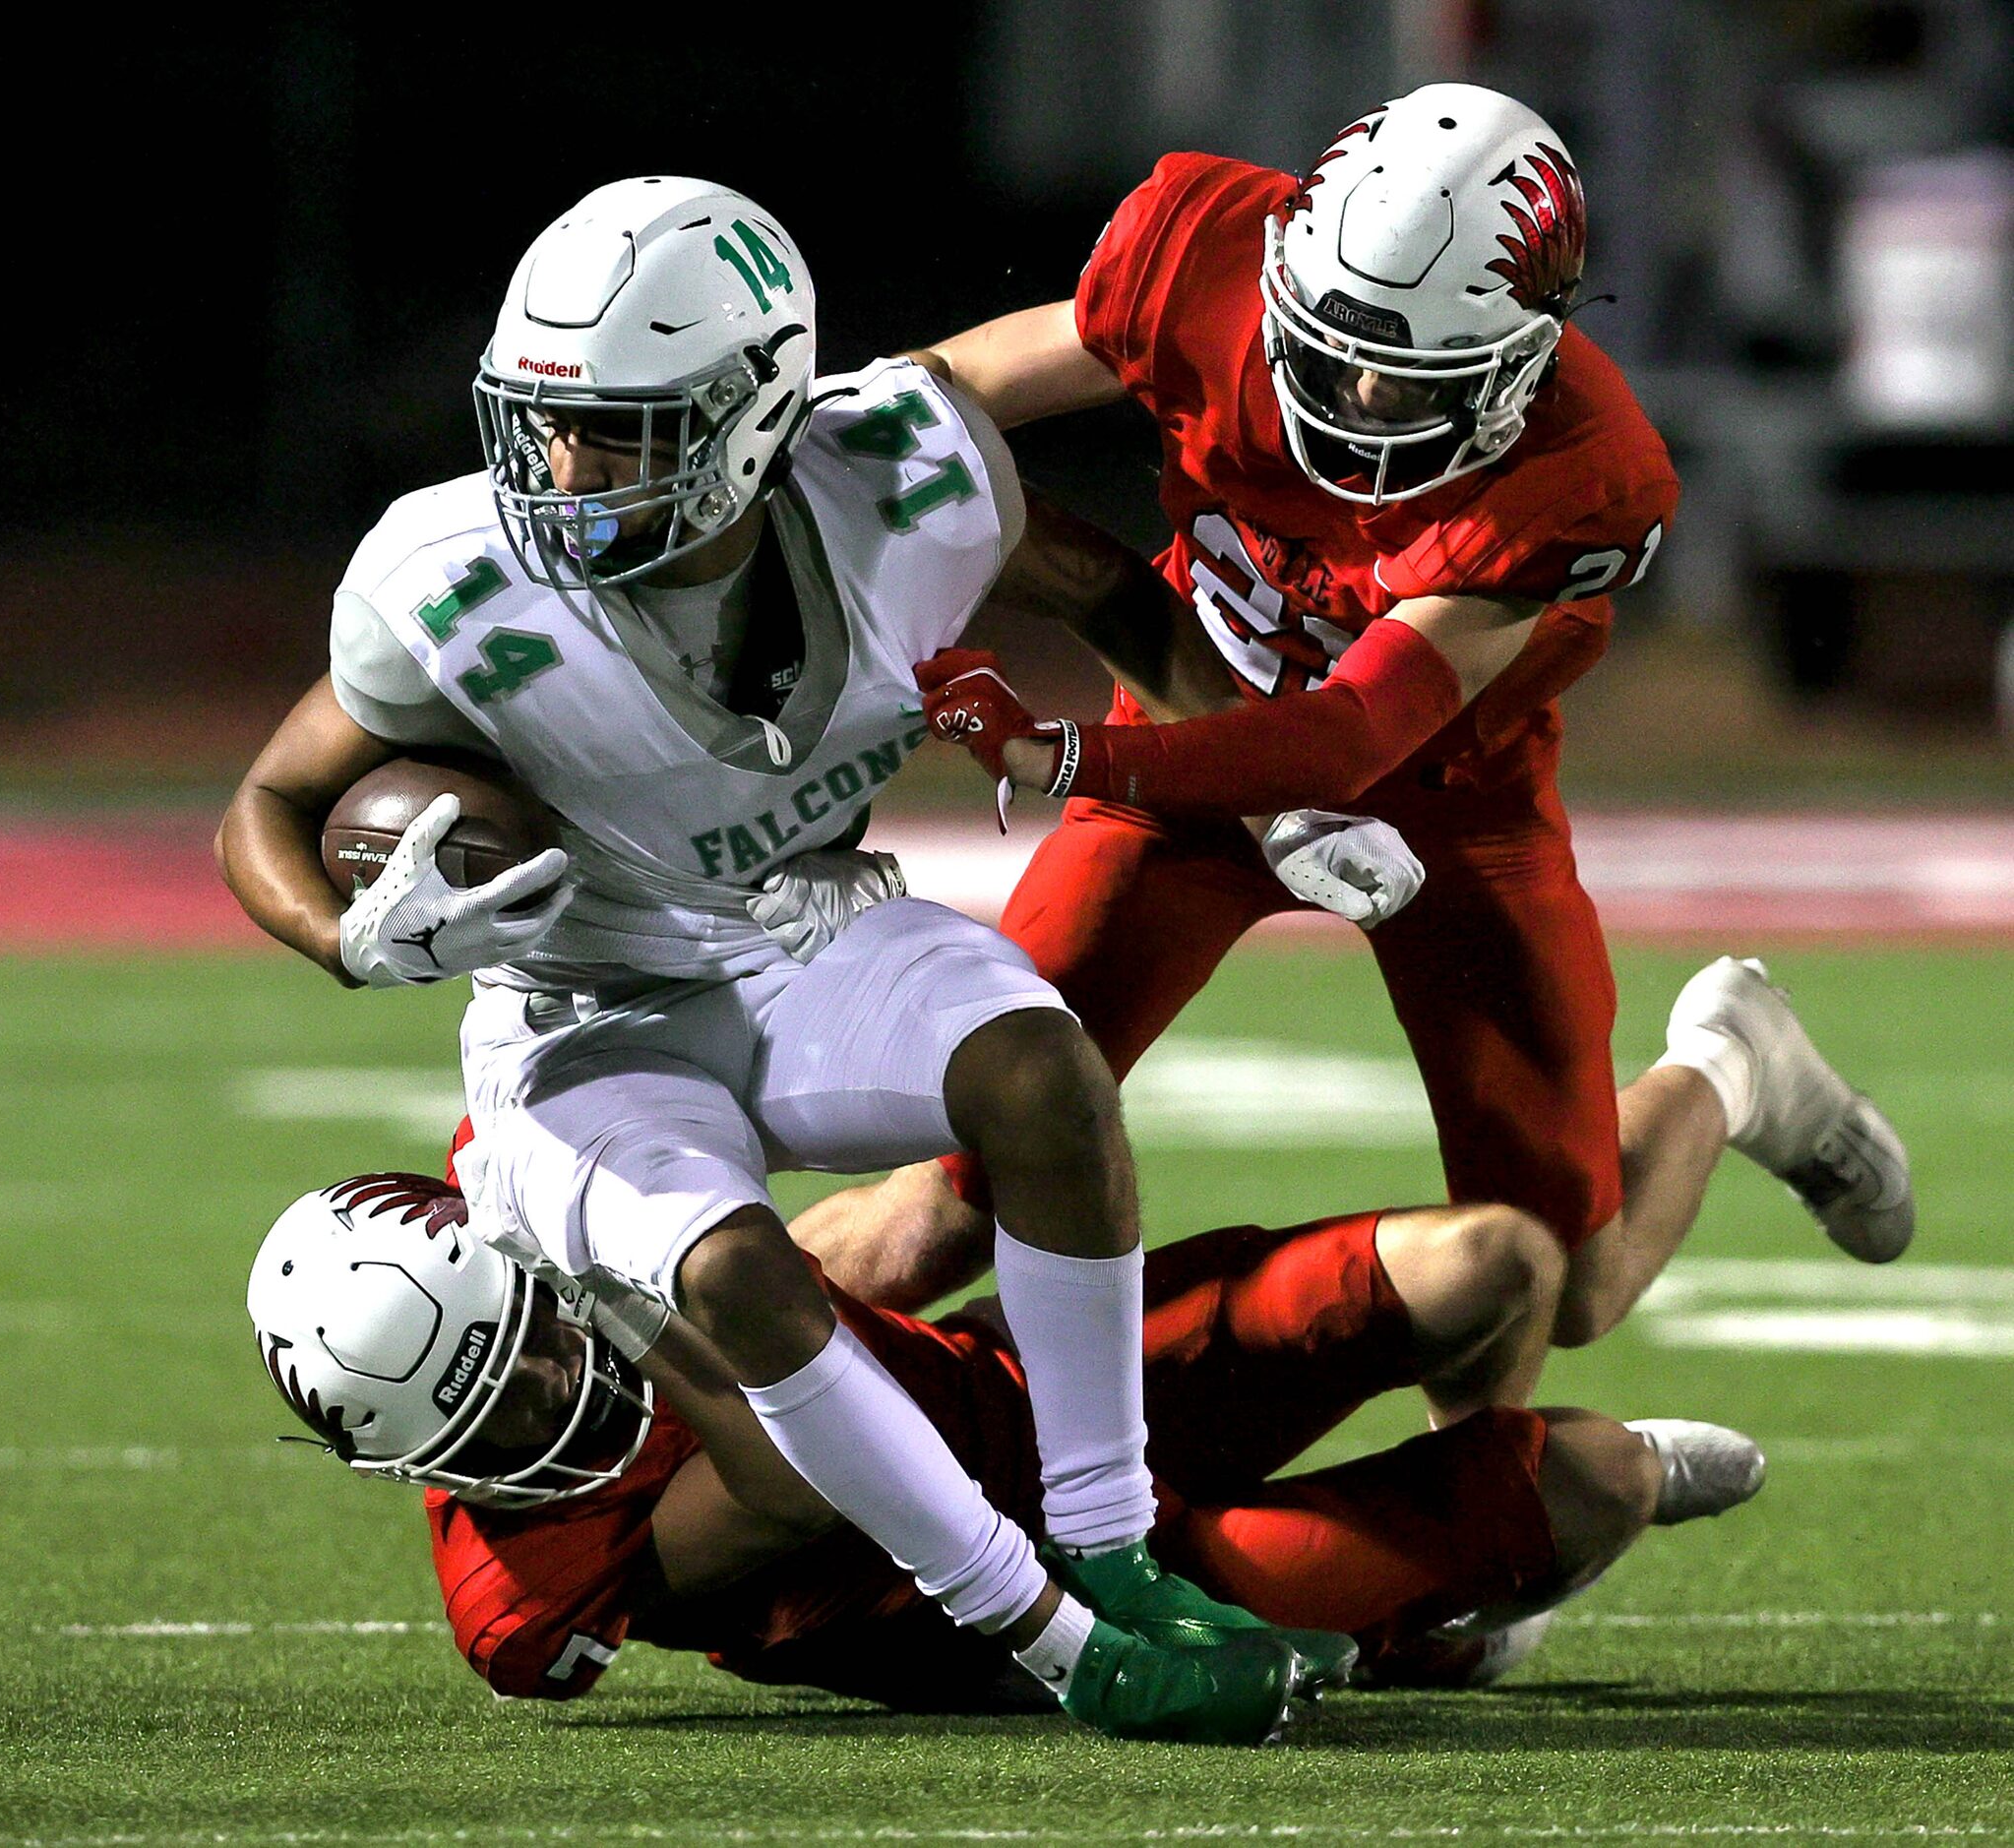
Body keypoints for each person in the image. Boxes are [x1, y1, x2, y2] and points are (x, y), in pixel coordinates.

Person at [214, 175, 1401, 1745]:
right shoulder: (452, 579)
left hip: (791, 944)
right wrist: (352, 938)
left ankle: (1111, 1547)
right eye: (541, 423)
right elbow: (268, 804)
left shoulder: (903, 484)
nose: (562, 470)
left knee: (1040, 1071)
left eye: (621, 431)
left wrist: (1264, 787)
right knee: (732, 1275)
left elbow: (1114, 590)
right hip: (581, 1024)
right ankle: (1050, 1634)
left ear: (755, 414)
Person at [794, 83, 1915, 1342]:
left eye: (1410, 375)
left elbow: (1352, 737)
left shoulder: (1580, 472)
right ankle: (633, 1389)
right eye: (1334, 354)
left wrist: (1066, 754)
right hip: (1182, 736)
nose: (1362, 402)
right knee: (953, 1199)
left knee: (1558, 1282)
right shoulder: (1194, 256)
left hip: (1442, 807)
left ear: (1527, 351)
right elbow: (939, 399)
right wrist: (809, 443)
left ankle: (1729, 1066)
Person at [247, 1168, 1765, 1711]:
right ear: (410, 1458)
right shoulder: (532, 1584)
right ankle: (1452, 1581)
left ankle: (1727, 1060)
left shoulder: (551, 1190)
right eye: (490, 1416)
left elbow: (827, 1253)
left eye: (529, 1352)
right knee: (1596, 1474)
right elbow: (788, 1473)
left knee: (1493, 1257)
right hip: (1054, 1587)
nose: (544, 1404)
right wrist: (625, 1300)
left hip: (1044, 1384)